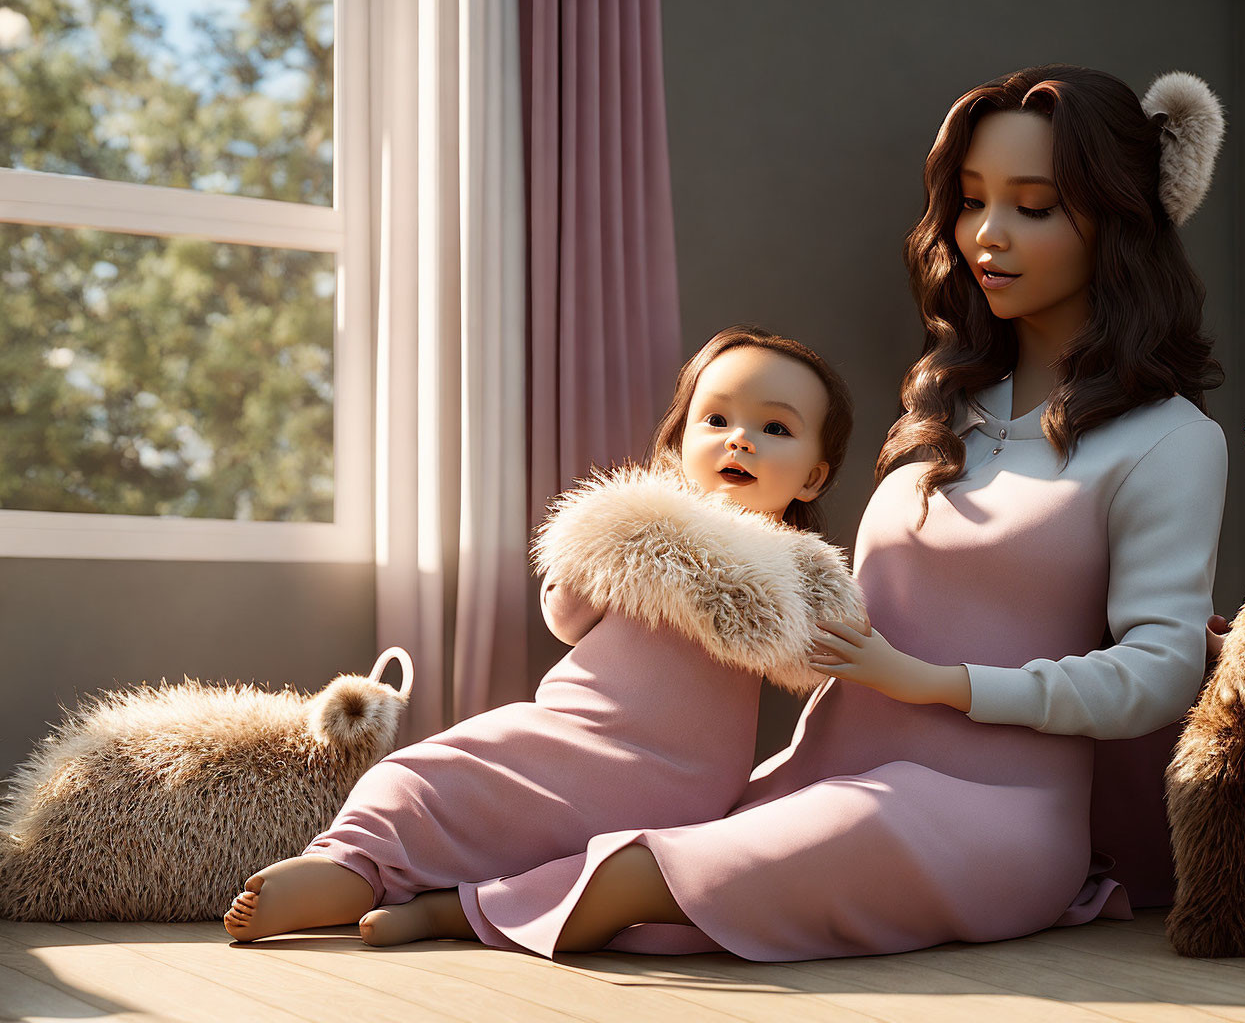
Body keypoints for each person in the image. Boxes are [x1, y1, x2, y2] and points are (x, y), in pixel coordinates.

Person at [359, 63, 1229, 960]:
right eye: (971, 203)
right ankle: (424, 870)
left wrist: (939, 682)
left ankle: (464, 910)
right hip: (826, 769)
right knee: (645, 838)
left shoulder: (1169, 442)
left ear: (1118, 221)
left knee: (658, 878)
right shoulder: (947, 408)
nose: (987, 237)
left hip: (990, 810)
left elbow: (1158, 673)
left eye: (1033, 207)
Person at [222, 326, 864, 944]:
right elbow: (566, 617)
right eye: (716, 421)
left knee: (609, 869)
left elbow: (820, 652)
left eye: (775, 428)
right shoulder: (643, 530)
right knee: (426, 772)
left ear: (812, 477)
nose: (740, 441)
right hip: (572, 732)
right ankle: (354, 871)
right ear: (675, 448)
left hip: (679, 777)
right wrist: (602, 545)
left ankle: (428, 903)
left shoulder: (798, 568)